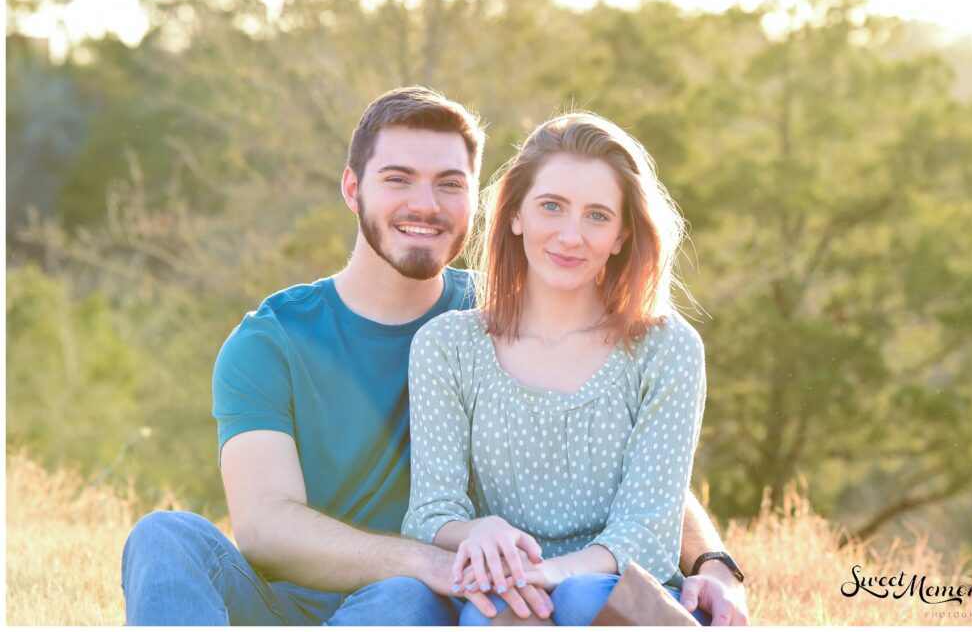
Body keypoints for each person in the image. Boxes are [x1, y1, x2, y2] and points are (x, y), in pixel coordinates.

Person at [120, 87, 748, 626]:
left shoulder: (512, 312)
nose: (425, 204)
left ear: (479, 204)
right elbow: (264, 527)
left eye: (449, 184)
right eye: (397, 179)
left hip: (410, 607)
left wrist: (714, 563)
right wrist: (434, 560)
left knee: (401, 601)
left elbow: (612, 462)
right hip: (309, 598)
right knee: (163, 536)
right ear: (351, 187)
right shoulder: (272, 340)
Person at [399, 112, 724, 626]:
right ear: (515, 215)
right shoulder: (447, 346)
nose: (571, 235)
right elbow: (431, 514)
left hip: (619, 596)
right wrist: (480, 532)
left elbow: (646, 532)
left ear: (621, 235)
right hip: (502, 590)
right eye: (552, 207)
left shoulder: (667, 349)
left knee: (580, 598)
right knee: (500, 614)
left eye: (597, 216)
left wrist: (553, 574)